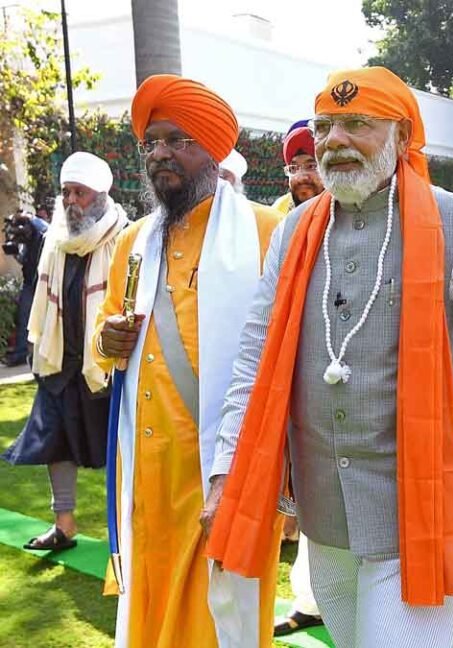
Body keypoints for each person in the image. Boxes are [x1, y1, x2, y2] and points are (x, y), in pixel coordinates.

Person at [206, 66, 453, 648]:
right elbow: (254, 360)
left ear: (402, 135)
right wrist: (225, 475)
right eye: (324, 127)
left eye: (357, 125)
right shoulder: (294, 232)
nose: (335, 141)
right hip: (324, 514)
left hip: (422, 514)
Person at [92, 74, 283, 648]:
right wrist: (108, 341)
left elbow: (284, 357)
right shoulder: (133, 243)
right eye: (152, 142)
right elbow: (102, 337)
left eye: (178, 140)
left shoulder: (266, 231)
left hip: (223, 473)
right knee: (149, 614)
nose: (161, 153)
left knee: (217, 619)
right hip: (146, 474)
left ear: (213, 149)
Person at [3, 152, 128, 550]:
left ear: (100, 197)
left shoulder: (124, 237)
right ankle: (64, 525)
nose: (71, 201)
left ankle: (127, 534)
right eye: (66, 192)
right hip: (60, 359)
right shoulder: (56, 241)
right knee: (56, 441)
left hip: (104, 363)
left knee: (121, 449)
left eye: (80, 193)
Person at [269, 120, 327, 638]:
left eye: (312, 164)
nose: (303, 175)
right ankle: (310, 600)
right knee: (307, 496)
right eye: (295, 166)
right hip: (297, 386)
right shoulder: (279, 228)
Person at [3, 208, 48, 366]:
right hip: (30, 281)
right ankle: (21, 353)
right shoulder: (27, 238)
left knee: (46, 318)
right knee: (23, 317)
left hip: (44, 281)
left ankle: (46, 353)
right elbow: (24, 259)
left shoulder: (42, 231)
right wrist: (15, 252)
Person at [271, 122, 324, 215]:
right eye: (293, 168)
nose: (301, 177)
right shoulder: (279, 210)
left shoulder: (345, 214)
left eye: (311, 166)